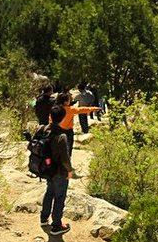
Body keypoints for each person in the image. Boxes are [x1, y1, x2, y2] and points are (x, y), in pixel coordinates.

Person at [41, 105, 75, 235]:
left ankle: (44, 218)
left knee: (49, 192)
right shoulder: (61, 136)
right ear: (63, 118)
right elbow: (65, 158)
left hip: (47, 169)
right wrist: (69, 170)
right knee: (59, 197)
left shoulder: (45, 131)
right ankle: (56, 226)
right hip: (59, 171)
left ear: (50, 117)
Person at [55, 91, 100, 159]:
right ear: (65, 101)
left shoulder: (55, 109)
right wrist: (94, 109)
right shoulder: (70, 109)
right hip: (68, 131)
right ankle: (67, 162)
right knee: (68, 148)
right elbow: (82, 109)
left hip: (57, 131)